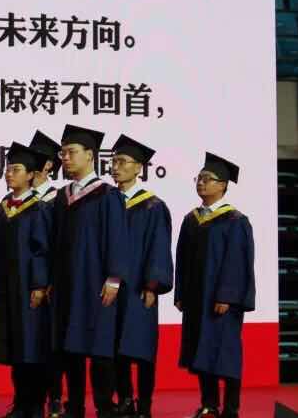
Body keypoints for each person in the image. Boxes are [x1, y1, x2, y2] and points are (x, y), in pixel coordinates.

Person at [50, 124, 128, 418]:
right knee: (71, 347)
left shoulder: (107, 195)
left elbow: (117, 238)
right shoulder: (63, 196)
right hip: (67, 282)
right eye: (63, 153)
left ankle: (104, 408)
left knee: (99, 348)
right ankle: (75, 407)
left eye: (71, 152)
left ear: (90, 155)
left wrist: (114, 277)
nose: (65, 158)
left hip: (96, 282)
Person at [175, 153, 255, 418]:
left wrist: (227, 296)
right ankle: (209, 404)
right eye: (199, 179)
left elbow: (237, 262)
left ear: (222, 185)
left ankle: (231, 408)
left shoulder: (235, 221)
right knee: (202, 351)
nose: (201, 183)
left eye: (207, 179)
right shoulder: (191, 219)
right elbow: (182, 259)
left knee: (226, 355)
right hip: (197, 299)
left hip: (222, 302)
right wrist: (181, 293)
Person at [0, 142, 54, 418]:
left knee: (33, 347)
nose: (9, 174)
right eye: (8, 169)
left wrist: (39, 284)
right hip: (5, 289)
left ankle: (35, 404)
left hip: (29, 289)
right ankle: (20, 402)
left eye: (16, 169)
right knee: (15, 347)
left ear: (30, 175)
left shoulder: (39, 208)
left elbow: (42, 250)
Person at [109, 135, 173, 418]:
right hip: (111, 286)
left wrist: (152, 285)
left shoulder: (153, 206)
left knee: (142, 347)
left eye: (123, 162)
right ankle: (124, 399)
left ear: (139, 168)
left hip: (139, 287)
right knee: (114, 346)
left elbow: (159, 246)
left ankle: (144, 405)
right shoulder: (106, 202)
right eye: (113, 162)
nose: (116, 167)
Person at [28, 130, 64, 416]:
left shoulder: (59, 200)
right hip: (21, 282)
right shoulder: (15, 200)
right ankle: (26, 400)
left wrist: (47, 281)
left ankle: (54, 398)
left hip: (50, 285)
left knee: (50, 343)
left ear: (49, 165)